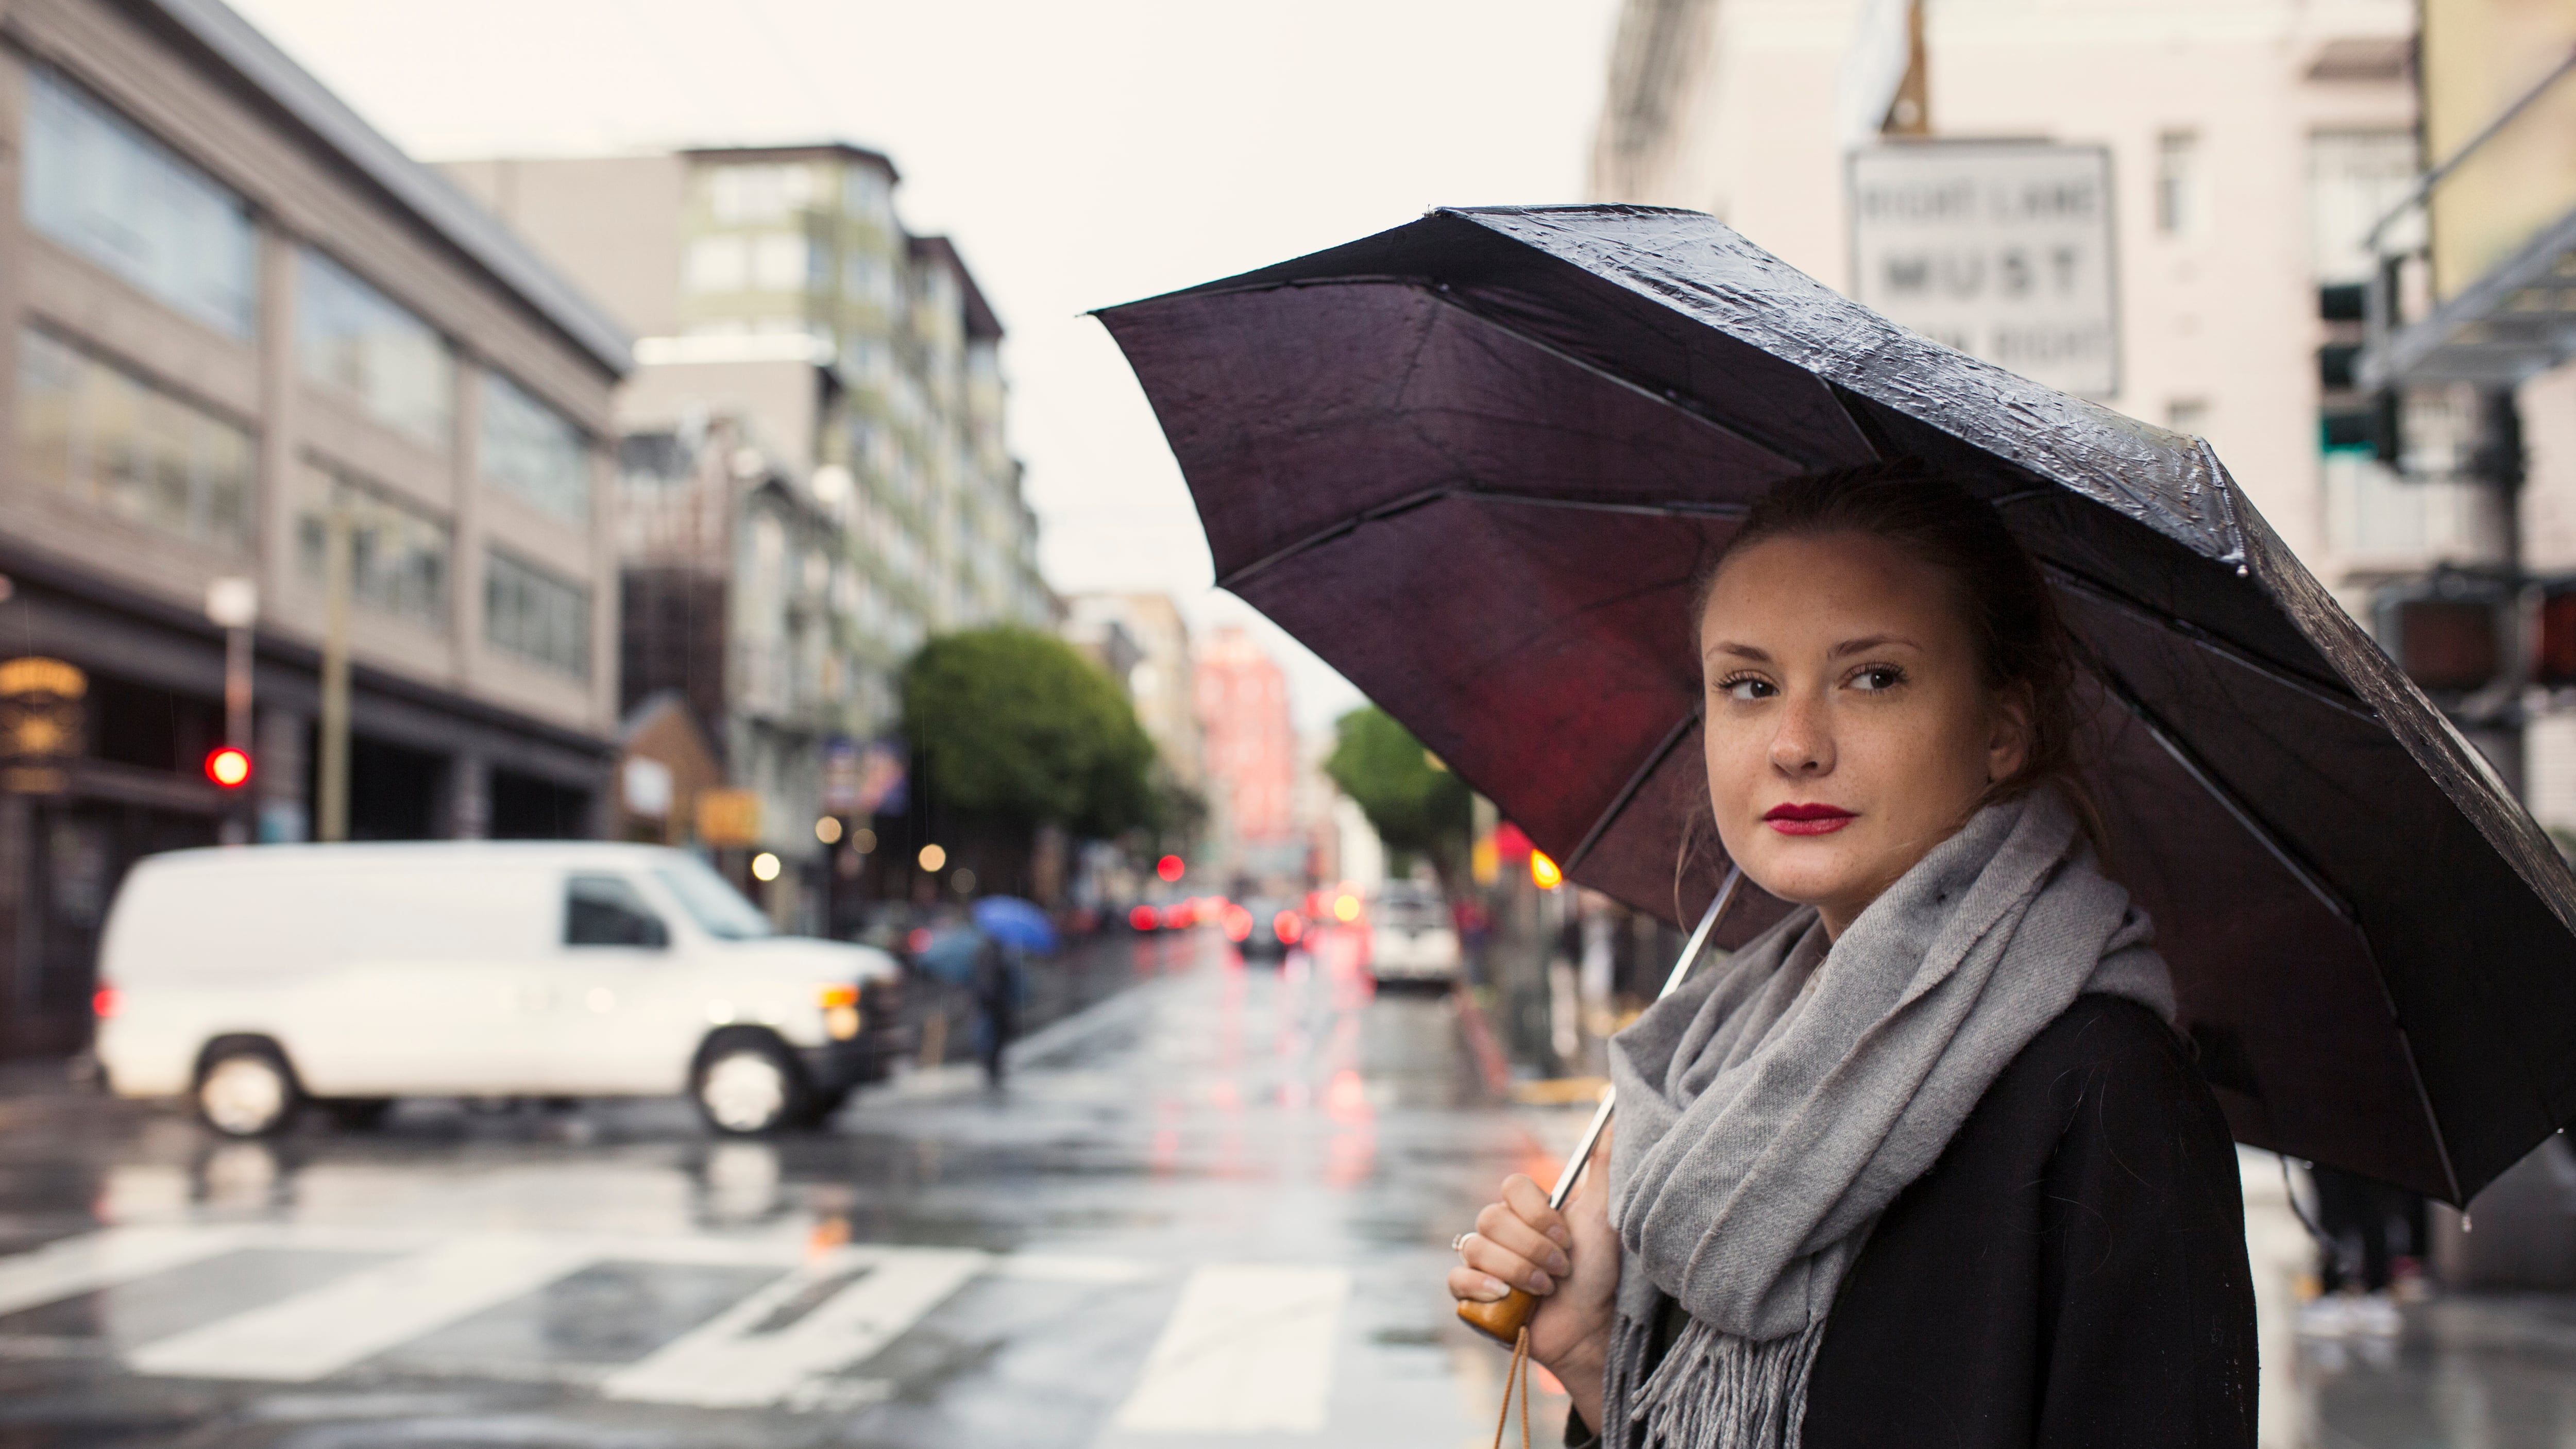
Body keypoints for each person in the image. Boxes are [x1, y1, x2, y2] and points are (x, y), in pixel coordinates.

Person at [1446, 462, 2257, 1448]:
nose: (1793, 743)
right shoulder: (1713, 1076)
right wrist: (1588, 1360)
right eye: (1748, 685)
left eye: (1874, 677)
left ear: (2003, 728)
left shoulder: (2104, 1087)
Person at [969, 929, 1023, 1089]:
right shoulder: (991, 952)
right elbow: (989, 979)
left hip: (993, 1000)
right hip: (993, 1000)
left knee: (996, 1032)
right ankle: (991, 1064)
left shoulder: (995, 951)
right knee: (992, 1033)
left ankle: (993, 1063)